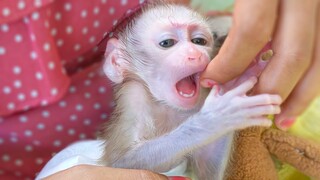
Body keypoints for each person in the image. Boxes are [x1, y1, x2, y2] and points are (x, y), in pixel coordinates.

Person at [1, 0, 318, 179]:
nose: (194, 53)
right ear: (119, 63)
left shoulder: (196, 80)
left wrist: (239, 85)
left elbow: (211, 170)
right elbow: (126, 165)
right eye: (167, 43)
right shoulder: (135, 92)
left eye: (199, 40)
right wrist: (209, 123)